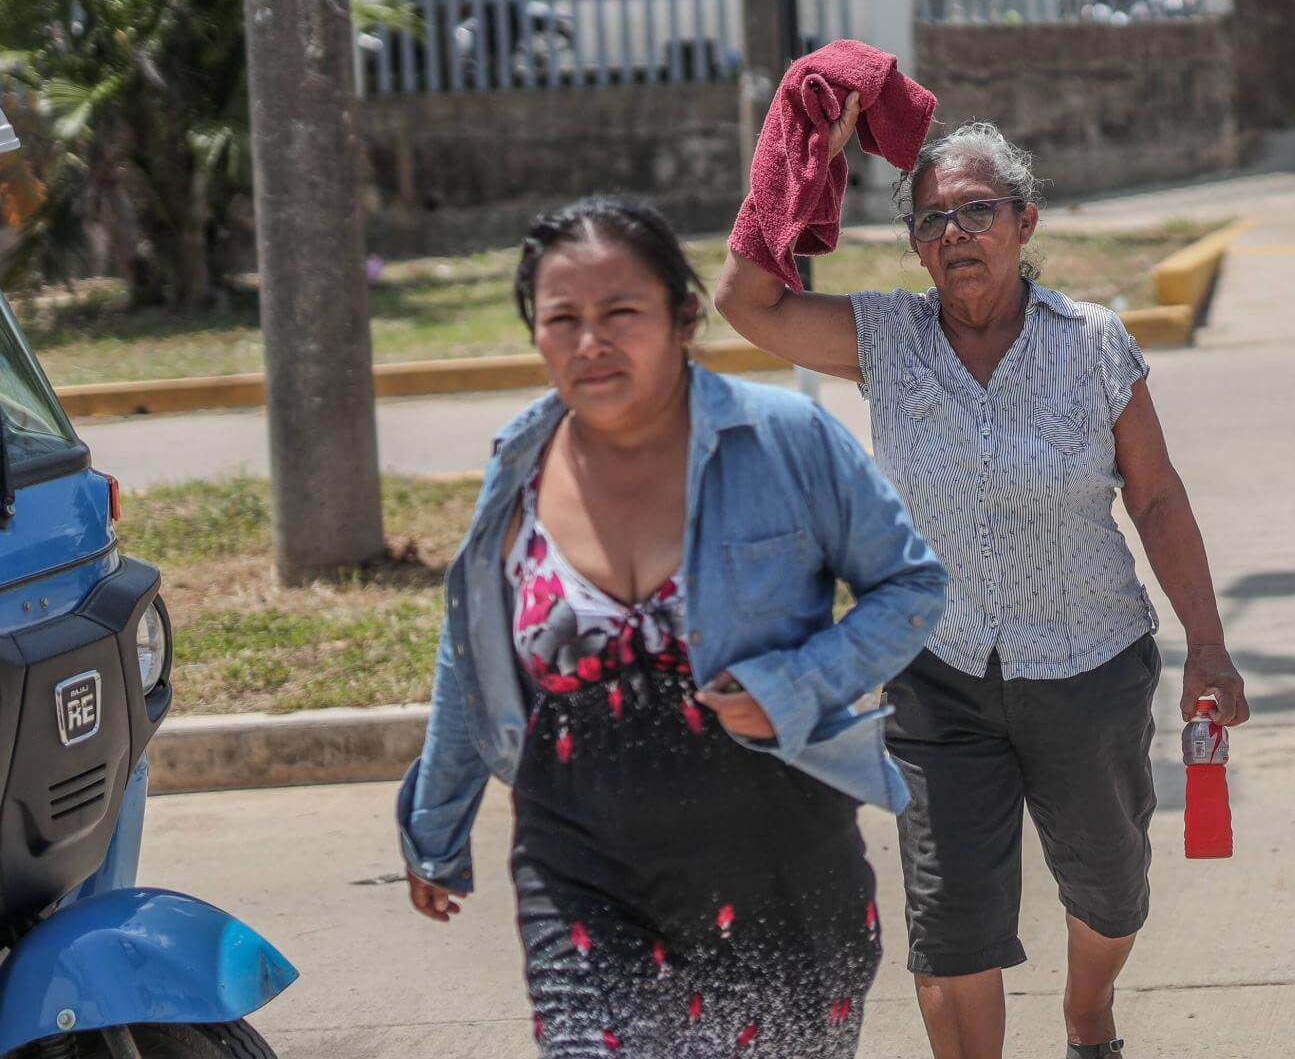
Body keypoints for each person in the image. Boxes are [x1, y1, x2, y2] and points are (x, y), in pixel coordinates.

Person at [716, 119, 1249, 1059]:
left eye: (976, 211)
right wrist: (806, 150)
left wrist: (1206, 645)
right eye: (932, 221)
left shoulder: (1092, 345)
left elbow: (1157, 497)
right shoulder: (883, 336)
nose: (955, 233)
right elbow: (747, 302)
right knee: (948, 924)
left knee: (1110, 888)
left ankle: (1087, 1014)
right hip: (937, 672)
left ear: (1024, 222)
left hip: (1088, 664)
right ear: (916, 245)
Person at [396, 196, 947, 1057]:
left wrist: (793, 685)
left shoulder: (784, 440)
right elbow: (467, 659)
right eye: (562, 319)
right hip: (578, 870)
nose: (590, 343)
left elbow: (909, 586)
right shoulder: (516, 467)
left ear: (684, 317)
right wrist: (434, 829)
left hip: (779, 871)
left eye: (621, 313)